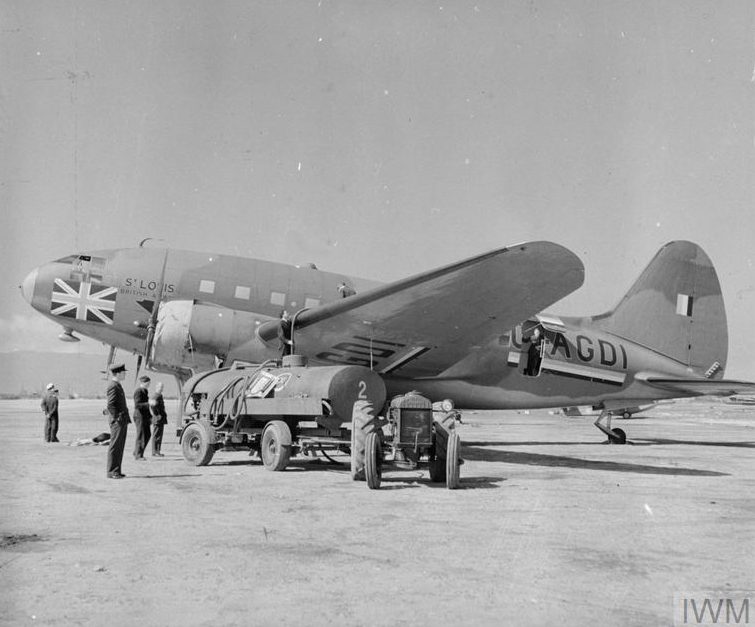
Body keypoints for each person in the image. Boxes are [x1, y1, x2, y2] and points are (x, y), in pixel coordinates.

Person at [105, 363, 131, 478]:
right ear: (118, 373)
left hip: (121, 420)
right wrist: (118, 418)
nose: (125, 374)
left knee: (120, 446)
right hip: (118, 422)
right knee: (115, 446)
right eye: (123, 372)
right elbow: (110, 405)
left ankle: (117, 470)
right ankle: (112, 471)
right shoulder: (113, 386)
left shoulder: (117, 385)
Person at [132, 375, 152, 461]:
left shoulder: (145, 391)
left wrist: (150, 416)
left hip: (145, 416)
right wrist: (148, 404)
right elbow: (137, 405)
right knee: (141, 435)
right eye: (147, 383)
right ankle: (138, 455)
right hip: (139, 415)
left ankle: (137, 451)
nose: (148, 385)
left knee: (147, 434)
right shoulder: (138, 391)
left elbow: (145, 406)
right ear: (143, 383)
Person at [149, 381, 168, 457]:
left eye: (162, 387)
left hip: (160, 419)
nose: (162, 389)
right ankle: (155, 451)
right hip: (157, 419)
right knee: (156, 435)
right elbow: (153, 406)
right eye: (160, 387)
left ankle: (157, 451)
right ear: (157, 387)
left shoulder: (159, 395)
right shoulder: (156, 395)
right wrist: (157, 415)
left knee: (159, 435)